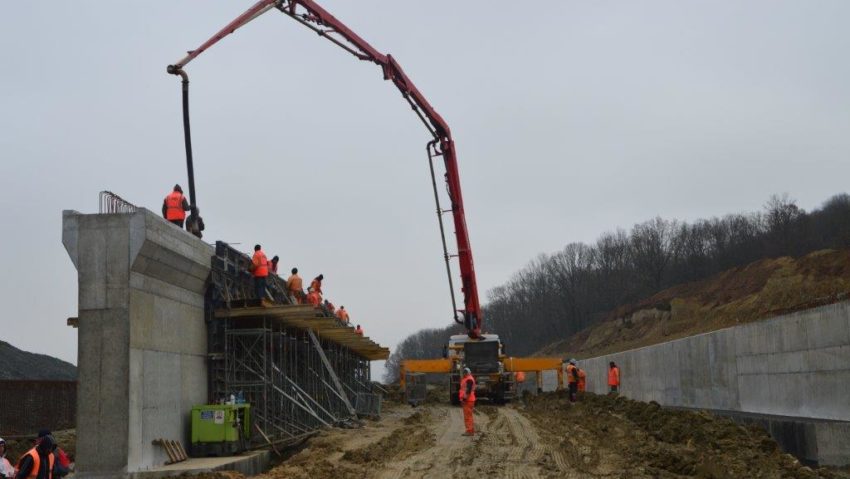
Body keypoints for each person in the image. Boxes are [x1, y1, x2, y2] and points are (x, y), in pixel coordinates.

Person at [459, 367, 476, 436]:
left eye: (465, 372)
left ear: (468, 373)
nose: (464, 373)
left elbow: (468, 391)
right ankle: (470, 430)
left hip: (468, 400)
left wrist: (464, 399)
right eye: (464, 372)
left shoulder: (469, 379)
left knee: (468, 416)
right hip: (469, 400)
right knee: (469, 416)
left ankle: (469, 431)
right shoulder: (467, 378)